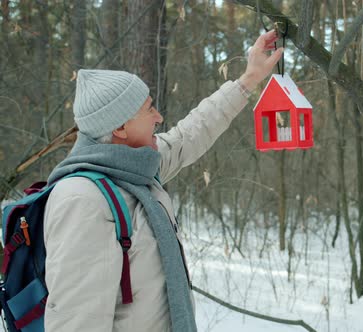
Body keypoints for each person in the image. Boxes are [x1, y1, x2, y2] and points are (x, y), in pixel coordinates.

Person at [42, 30, 283, 332]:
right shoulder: (83, 200)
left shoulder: (136, 170)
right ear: (120, 126)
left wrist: (249, 79)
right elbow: (75, 322)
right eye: (148, 109)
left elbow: (191, 133)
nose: (158, 117)